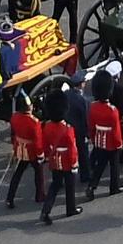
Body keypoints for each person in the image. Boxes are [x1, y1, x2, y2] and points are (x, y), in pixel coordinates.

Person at [41, 93, 82, 224]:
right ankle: (71, 208)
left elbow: (46, 144)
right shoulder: (68, 129)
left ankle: (45, 210)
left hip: (54, 159)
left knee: (55, 185)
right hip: (66, 161)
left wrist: (48, 157)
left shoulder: (47, 126)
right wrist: (74, 164)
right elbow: (72, 149)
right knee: (70, 186)